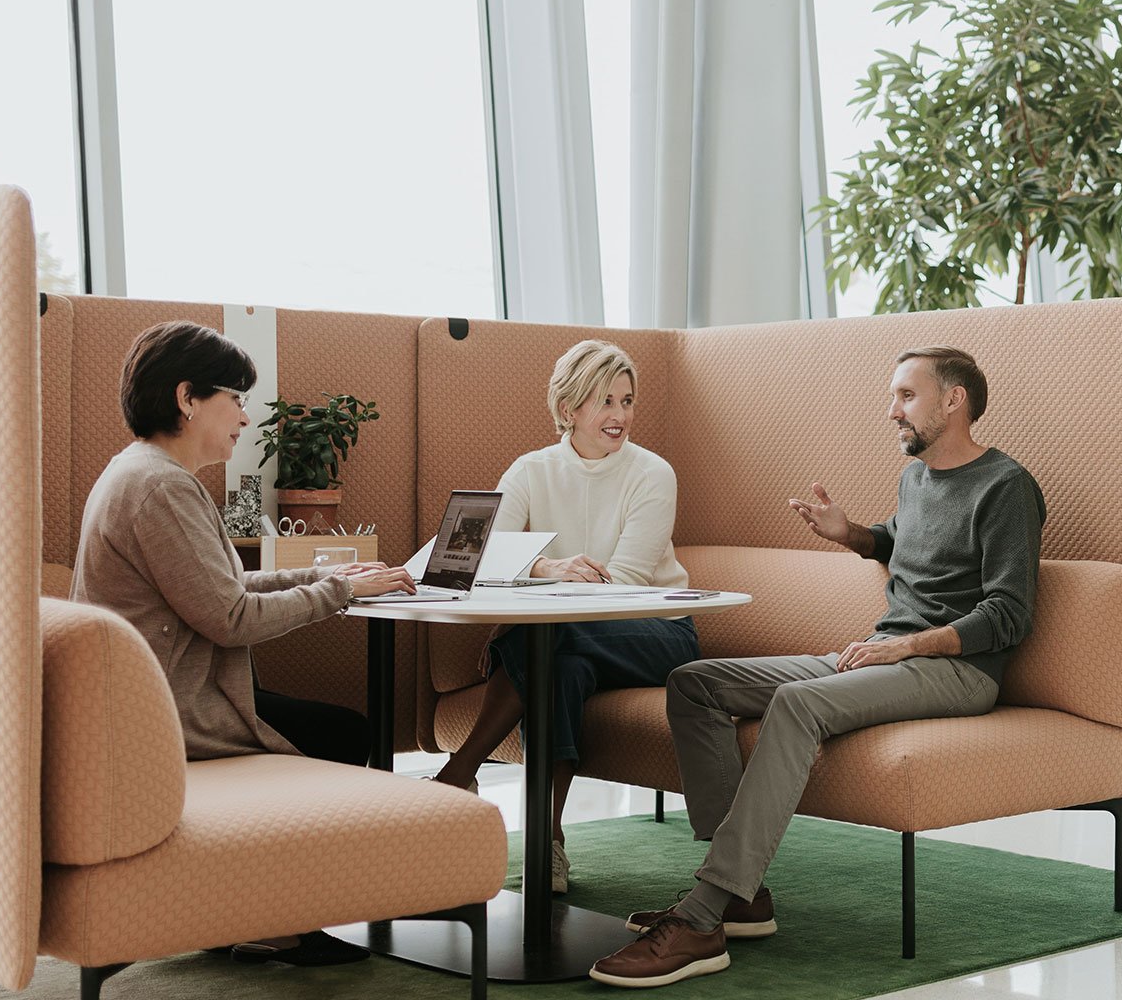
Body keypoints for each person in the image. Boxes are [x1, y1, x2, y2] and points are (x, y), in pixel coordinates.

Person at [589, 346, 1046, 988]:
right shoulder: (917, 479)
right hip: (881, 652)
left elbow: (1009, 614)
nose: (893, 410)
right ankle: (741, 895)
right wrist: (852, 534)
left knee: (797, 704)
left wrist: (907, 646)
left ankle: (703, 915)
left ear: (954, 400)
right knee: (696, 685)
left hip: (957, 672)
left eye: (906, 396)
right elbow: (904, 543)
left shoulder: (1006, 487)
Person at [72, 320, 416, 966]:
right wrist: (341, 596)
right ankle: (280, 917)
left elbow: (220, 583)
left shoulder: (143, 474)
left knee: (333, 730)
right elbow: (231, 617)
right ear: (187, 399)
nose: (244, 415)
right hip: (170, 715)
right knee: (345, 736)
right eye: (235, 396)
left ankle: (255, 910)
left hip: (155, 698)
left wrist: (329, 574)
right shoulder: (161, 487)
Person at [434, 339, 697, 894]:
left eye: (627, 401)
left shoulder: (652, 473)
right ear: (569, 408)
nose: (620, 416)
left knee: (544, 644)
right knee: (560, 668)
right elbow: (484, 561)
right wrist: (549, 570)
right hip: (570, 641)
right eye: (605, 401)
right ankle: (547, 840)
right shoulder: (531, 471)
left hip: (655, 631)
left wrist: (524, 616)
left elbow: (623, 585)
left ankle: (460, 771)